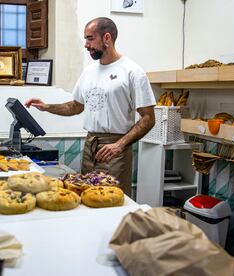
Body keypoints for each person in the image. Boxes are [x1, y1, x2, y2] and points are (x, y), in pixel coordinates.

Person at [25, 17, 155, 196]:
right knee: (87, 195)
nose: (86, 44)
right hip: (90, 145)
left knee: (111, 199)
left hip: (115, 149)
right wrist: (47, 107)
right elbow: (75, 106)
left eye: (90, 38)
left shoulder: (132, 71)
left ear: (107, 38)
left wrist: (119, 145)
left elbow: (148, 118)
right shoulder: (89, 72)